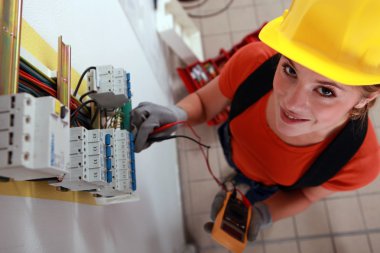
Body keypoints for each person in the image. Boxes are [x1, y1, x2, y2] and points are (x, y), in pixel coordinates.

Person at [131, 0, 380, 242]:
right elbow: (206, 104)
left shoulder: (359, 161)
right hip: (236, 150)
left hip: (271, 186)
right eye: (290, 70)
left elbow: (305, 194)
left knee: (254, 186)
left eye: (326, 91)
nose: (291, 103)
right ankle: (239, 174)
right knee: (238, 172)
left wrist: (263, 213)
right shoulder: (253, 63)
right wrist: (176, 115)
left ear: (365, 99)